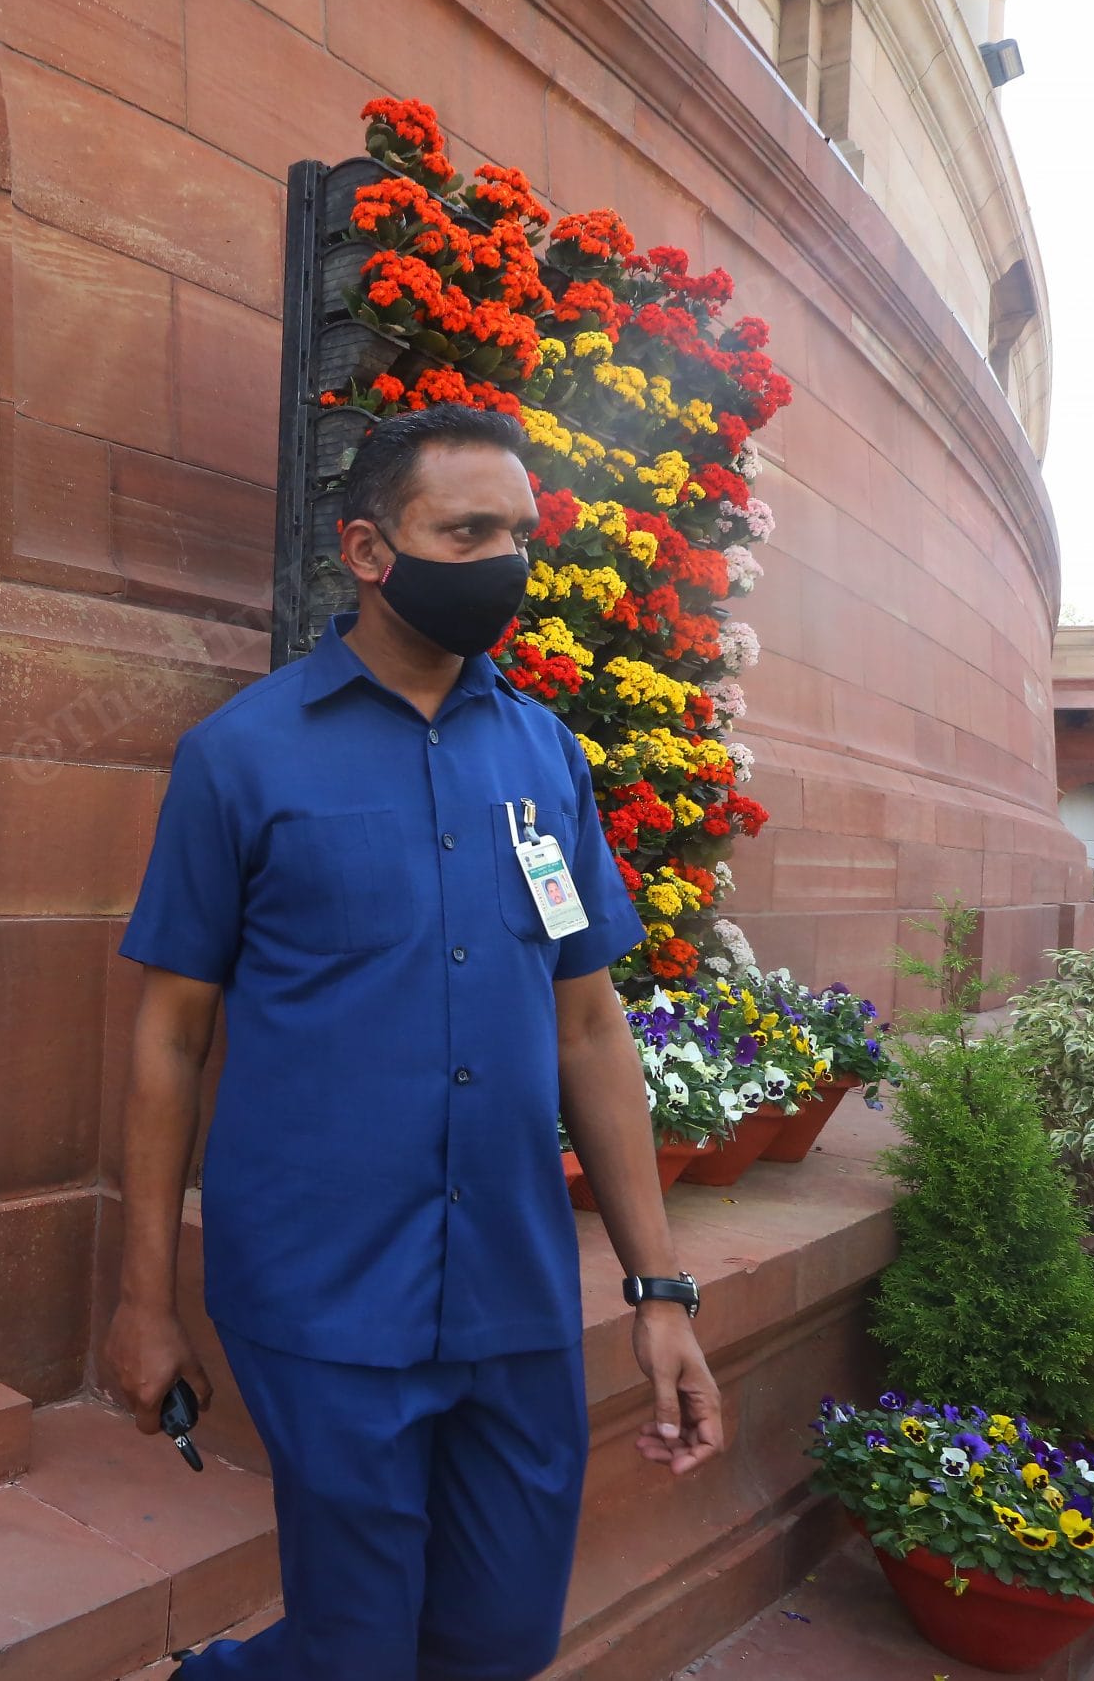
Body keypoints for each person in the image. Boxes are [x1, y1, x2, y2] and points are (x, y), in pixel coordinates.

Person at [105, 405, 724, 1680]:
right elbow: (170, 1037)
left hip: (509, 1286)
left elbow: (591, 1025)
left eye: (519, 533)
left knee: (498, 1640)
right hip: (319, 1291)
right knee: (360, 1648)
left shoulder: (543, 755)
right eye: (467, 530)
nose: (503, 559)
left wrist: (659, 1293)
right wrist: (141, 1300)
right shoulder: (240, 757)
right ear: (369, 550)